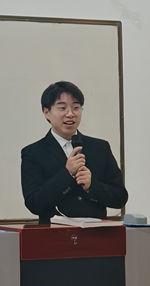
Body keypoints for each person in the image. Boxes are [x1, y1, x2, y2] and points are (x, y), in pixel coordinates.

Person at [20, 81, 128, 224]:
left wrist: (92, 186)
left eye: (76, 108)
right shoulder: (34, 153)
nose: (70, 114)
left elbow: (120, 198)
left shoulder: (100, 148)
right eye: (62, 108)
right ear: (46, 112)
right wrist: (67, 174)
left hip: (96, 232)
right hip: (54, 233)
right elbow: (34, 203)